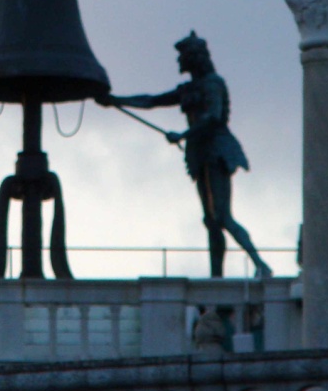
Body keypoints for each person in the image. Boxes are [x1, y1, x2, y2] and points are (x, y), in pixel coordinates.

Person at [99, 31, 272, 279]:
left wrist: (182, 135)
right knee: (211, 220)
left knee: (222, 216)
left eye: (183, 57)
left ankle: (260, 264)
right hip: (200, 152)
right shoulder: (191, 88)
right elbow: (152, 101)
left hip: (216, 150)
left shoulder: (213, 84)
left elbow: (213, 117)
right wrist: (117, 101)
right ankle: (217, 277)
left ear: (194, 59)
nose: (180, 62)